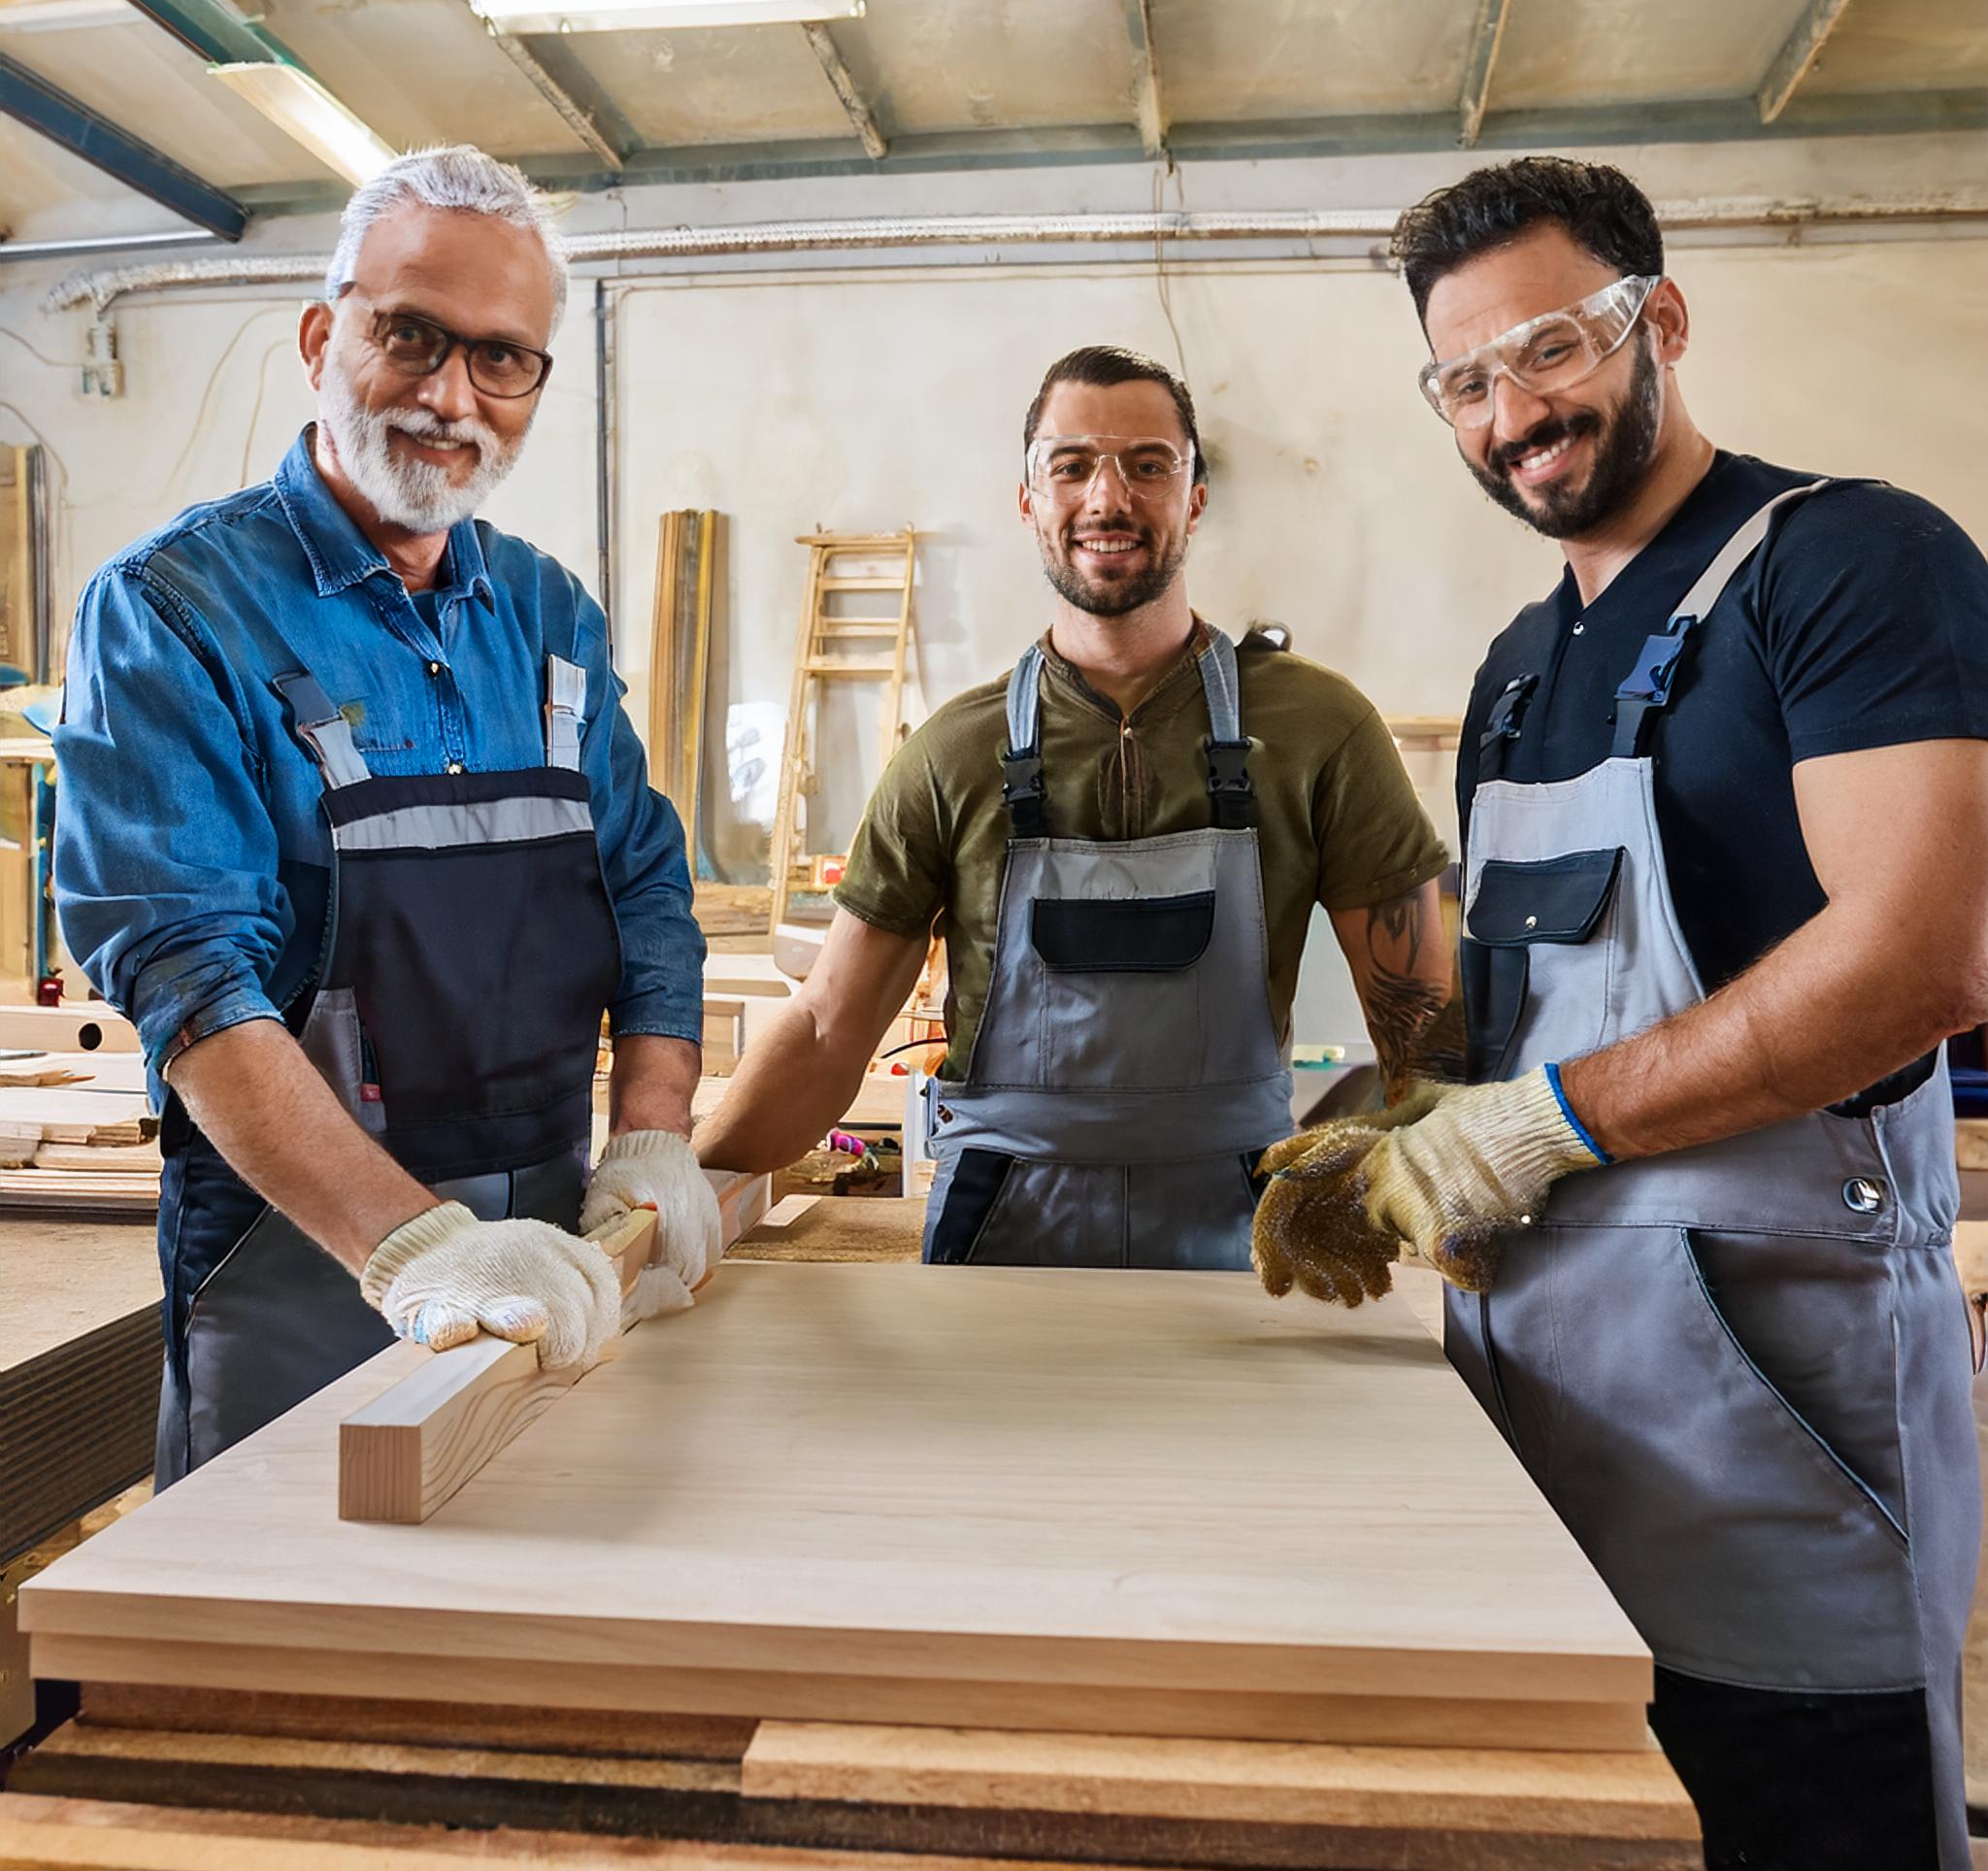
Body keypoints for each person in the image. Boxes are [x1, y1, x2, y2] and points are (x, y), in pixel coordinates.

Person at [1252, 155, 1988, 1869]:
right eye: (1462, 380)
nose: (1512, 411)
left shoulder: (1846, 564)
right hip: (1536, 1419)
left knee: (1810, 1819)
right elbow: (1491, 1021)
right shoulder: (1517, 663)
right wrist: (1386, 1112)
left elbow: (1922, 956)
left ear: (1654, 318)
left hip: (1770, 1409)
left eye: (1551, 349)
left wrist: (1536, 1126)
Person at [54, 147, 717, 1486]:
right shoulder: (176, 610)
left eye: (501, 358)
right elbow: (187, 971)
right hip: (296, 1259)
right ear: (322, 335)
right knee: (271, 1652)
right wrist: (412, 1246)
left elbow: (644, 882)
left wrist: (651, 1132)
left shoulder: (548, 616)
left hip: (557, 1247)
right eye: (408, 336)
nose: (448, 395)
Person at [697, 345, 1451, 1269]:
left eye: (1148, 465)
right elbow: (824, 1031)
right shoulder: (952, 754)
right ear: (1028, 499)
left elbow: (1420, 1021)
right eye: (1072, 466)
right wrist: (678, 1196)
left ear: (1196, 497)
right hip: (1001, 1234)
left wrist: (1442, 1190)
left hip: (1248, 1240)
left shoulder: (1318, 729)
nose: (1108, 498)